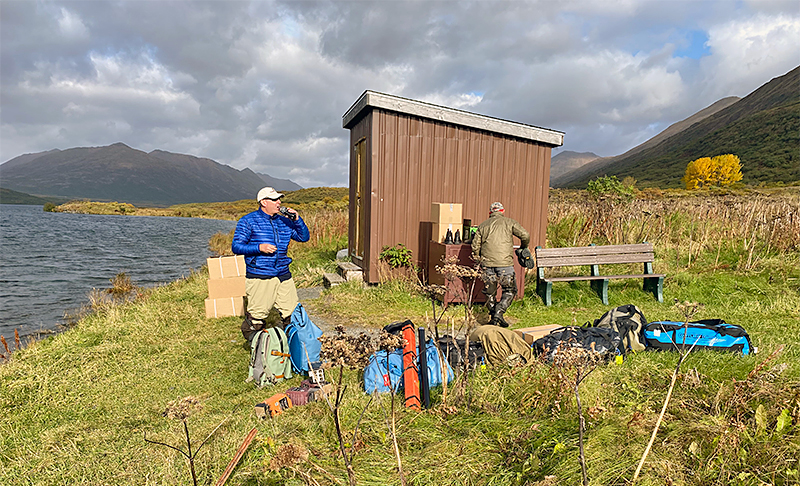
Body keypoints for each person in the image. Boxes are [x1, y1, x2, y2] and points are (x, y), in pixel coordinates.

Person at [232, 187, 310, 341]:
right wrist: (259, 248)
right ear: (263, 202)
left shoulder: (284, 221)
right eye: (274, 199)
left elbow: (303, 237)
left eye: (279, 199)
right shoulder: (248, 221)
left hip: (283, 274)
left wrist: (297, 219)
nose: (279, 202)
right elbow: (236, 246)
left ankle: (292, 349)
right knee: (257, 317)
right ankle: (258, 354)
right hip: (261, 274)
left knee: (292, 313)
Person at [471, 202, 530, 327]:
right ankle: (499, 313)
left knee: (489, 292)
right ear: (502, 211)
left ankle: (494, 315)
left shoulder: (482, 226)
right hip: (505, 264)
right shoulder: (510, 222)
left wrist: (478, 260)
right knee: (509, 290)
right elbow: (525, 235)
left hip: (487, 263)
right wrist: (523, 247)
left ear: (490, 213)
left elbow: (475, 245)